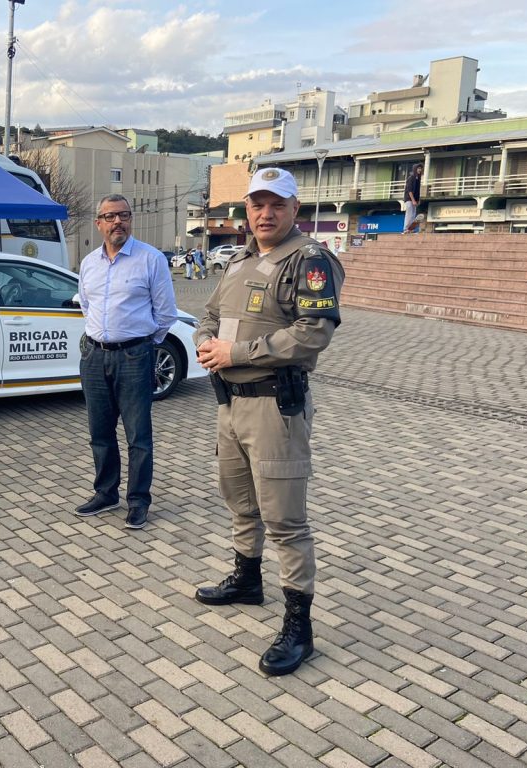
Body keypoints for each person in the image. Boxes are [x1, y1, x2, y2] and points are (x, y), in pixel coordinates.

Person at [193, 168, 344, 676]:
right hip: (230, 405)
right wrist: (205, 342)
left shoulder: (309, 260)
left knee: (285, 520)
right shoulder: (239, 260)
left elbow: (312, 334)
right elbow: (208, 314)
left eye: (276, 204)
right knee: (239, 502)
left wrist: (237, 351)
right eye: (257, 204)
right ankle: (246, 579)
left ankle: (299, 627)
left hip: (275, 408)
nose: (265, 213)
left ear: (294, 209)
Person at [75, 194, 177, 530]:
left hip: (135, 356)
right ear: (99, 223)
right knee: (100, 433)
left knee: (138, 436)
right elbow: (86, 306)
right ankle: (106, 493)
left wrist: (141, 344)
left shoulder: (150, 260)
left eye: (124, 215)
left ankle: (138, 501)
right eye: (110, 216)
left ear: (130, 220)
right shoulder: (89, 262)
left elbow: (165, 314)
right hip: (93, 355)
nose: (118, 222)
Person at [403, 164, 423, 233]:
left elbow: (417, 191)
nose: (420, 170)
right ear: (415, 169)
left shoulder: (418, 179)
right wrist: (413, 200)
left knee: (413, 215)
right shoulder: (411, 178)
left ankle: (410, 229)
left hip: (414, 200)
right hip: (409, 199)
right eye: (418, 168)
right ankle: (406, 229)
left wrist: (418, 200)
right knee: (409, 214)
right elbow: (409, 190)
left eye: (420, 168)